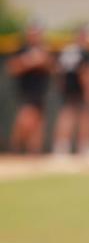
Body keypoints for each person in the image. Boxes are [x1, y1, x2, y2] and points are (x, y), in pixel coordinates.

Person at [52, 24, 89, 158]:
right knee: (86, 115)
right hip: (79, 87)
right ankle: (85, 147)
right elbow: (85, 72)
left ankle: (61, 147)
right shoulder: (83, 51)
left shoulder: (67, 50)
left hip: (68, 87)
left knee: (67, 114)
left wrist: (62, 87)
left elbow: (58, 71)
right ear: (81, 37)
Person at [6, 22, 53, 154]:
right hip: (26, 90)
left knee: (39, 122)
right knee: (25, 120)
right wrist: (29, 61)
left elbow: (52, 67)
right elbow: (12, 68)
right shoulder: (22, 49)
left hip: (41, 90)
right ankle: (15, 149)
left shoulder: (44, 49)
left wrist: (43, 61)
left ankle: (34, 153)